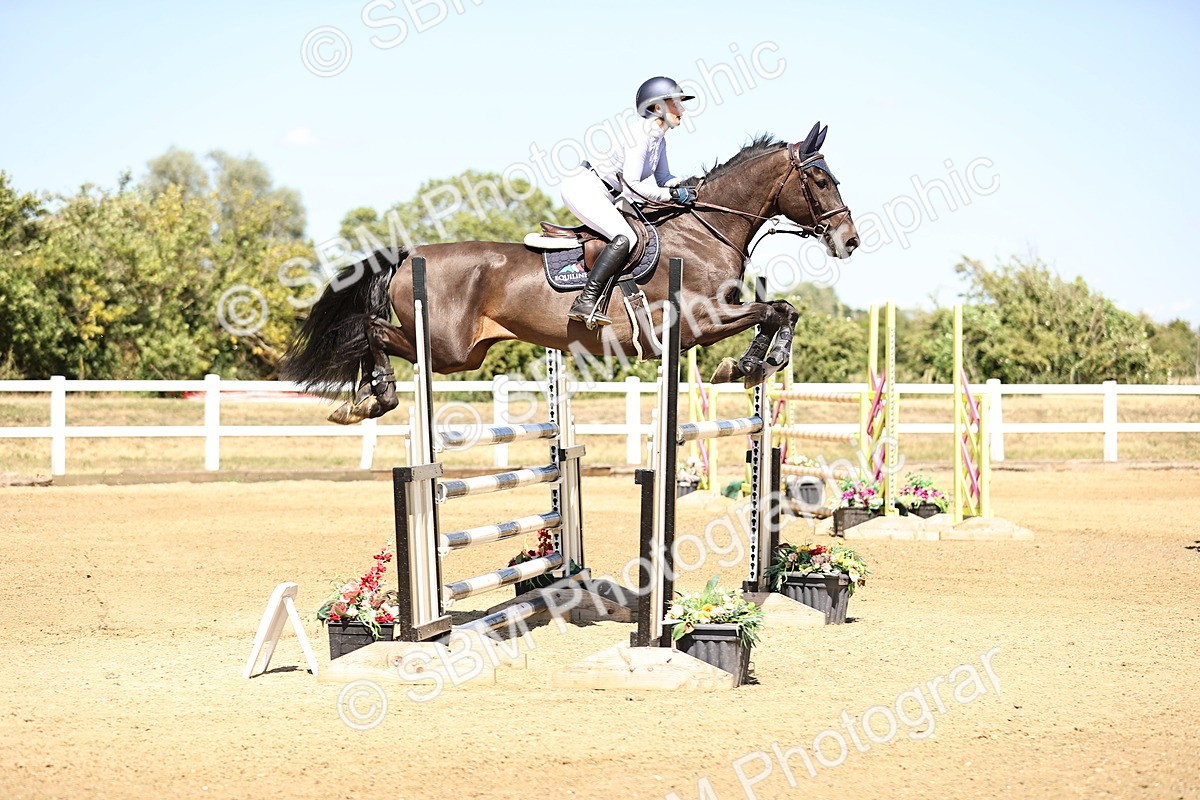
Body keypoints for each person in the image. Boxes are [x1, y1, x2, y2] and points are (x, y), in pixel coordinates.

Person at [561, 76, 698, 326]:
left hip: (606, 193)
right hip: (585, 189)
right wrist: (672, 196)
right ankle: (585, 300)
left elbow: (664, 177)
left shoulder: (660, 139)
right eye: (677, 102)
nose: (682, 109)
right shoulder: (640, 135)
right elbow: (633, 184)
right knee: (627, 237)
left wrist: (693, 186)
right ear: (658, 107)